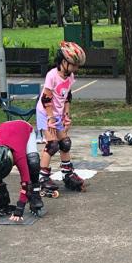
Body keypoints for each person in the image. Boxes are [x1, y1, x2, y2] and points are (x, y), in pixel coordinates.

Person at [37, 42, 86, 196]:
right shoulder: (52, 75)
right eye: (74, 65)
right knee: (52, 145)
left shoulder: (70, 76)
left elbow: (67, 96)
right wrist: (51, 118)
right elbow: (46, 99)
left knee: (65, 143)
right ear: (64, 62)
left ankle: (67, 173)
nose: (76, 68)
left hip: (58, 114)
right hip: (46, 113)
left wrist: (66, 115)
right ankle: (43, 178)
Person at [0, 119, 44, 226]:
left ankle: (35, 195)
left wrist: (19, 209)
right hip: (3, 128)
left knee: (33, 162)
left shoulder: (19, 156)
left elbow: (26, 183)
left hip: (24, 127)